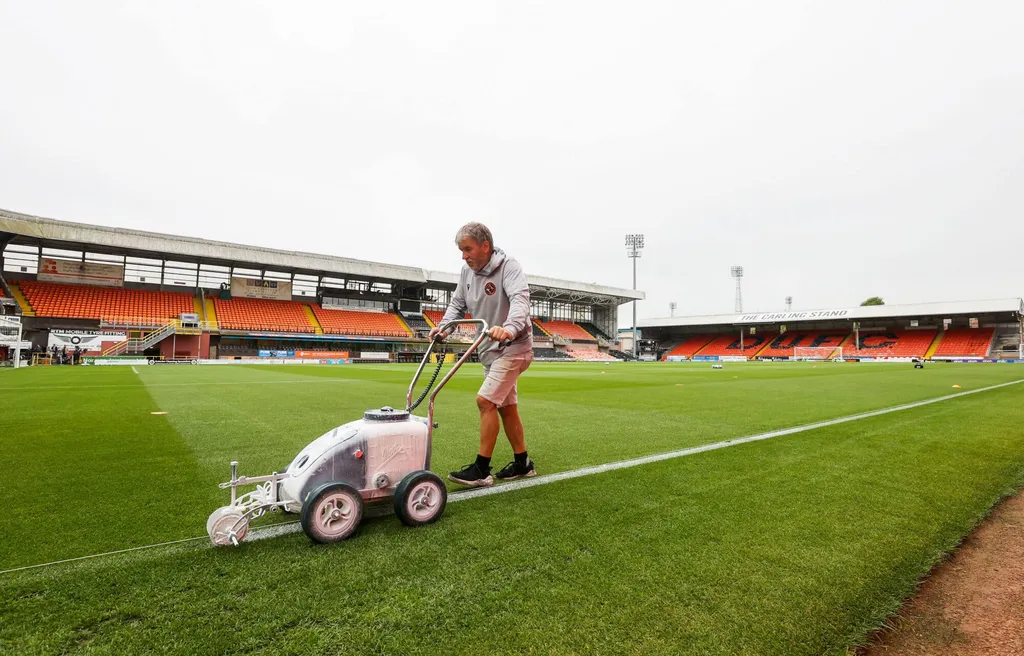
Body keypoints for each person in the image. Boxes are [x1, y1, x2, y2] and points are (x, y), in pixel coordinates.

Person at [430, 222, 535, 487]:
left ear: (485, 246)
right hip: (490, 351)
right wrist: (443, 328)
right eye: (461, 250)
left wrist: (509, 329)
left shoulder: (509, 267)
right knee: (506, 407)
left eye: (467, 249)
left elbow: (521, 301)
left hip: (514, 347)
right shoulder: (466, 272)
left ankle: (481, 469)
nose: (464, 255)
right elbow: (457, 304)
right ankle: (523, 464)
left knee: (485, 401)